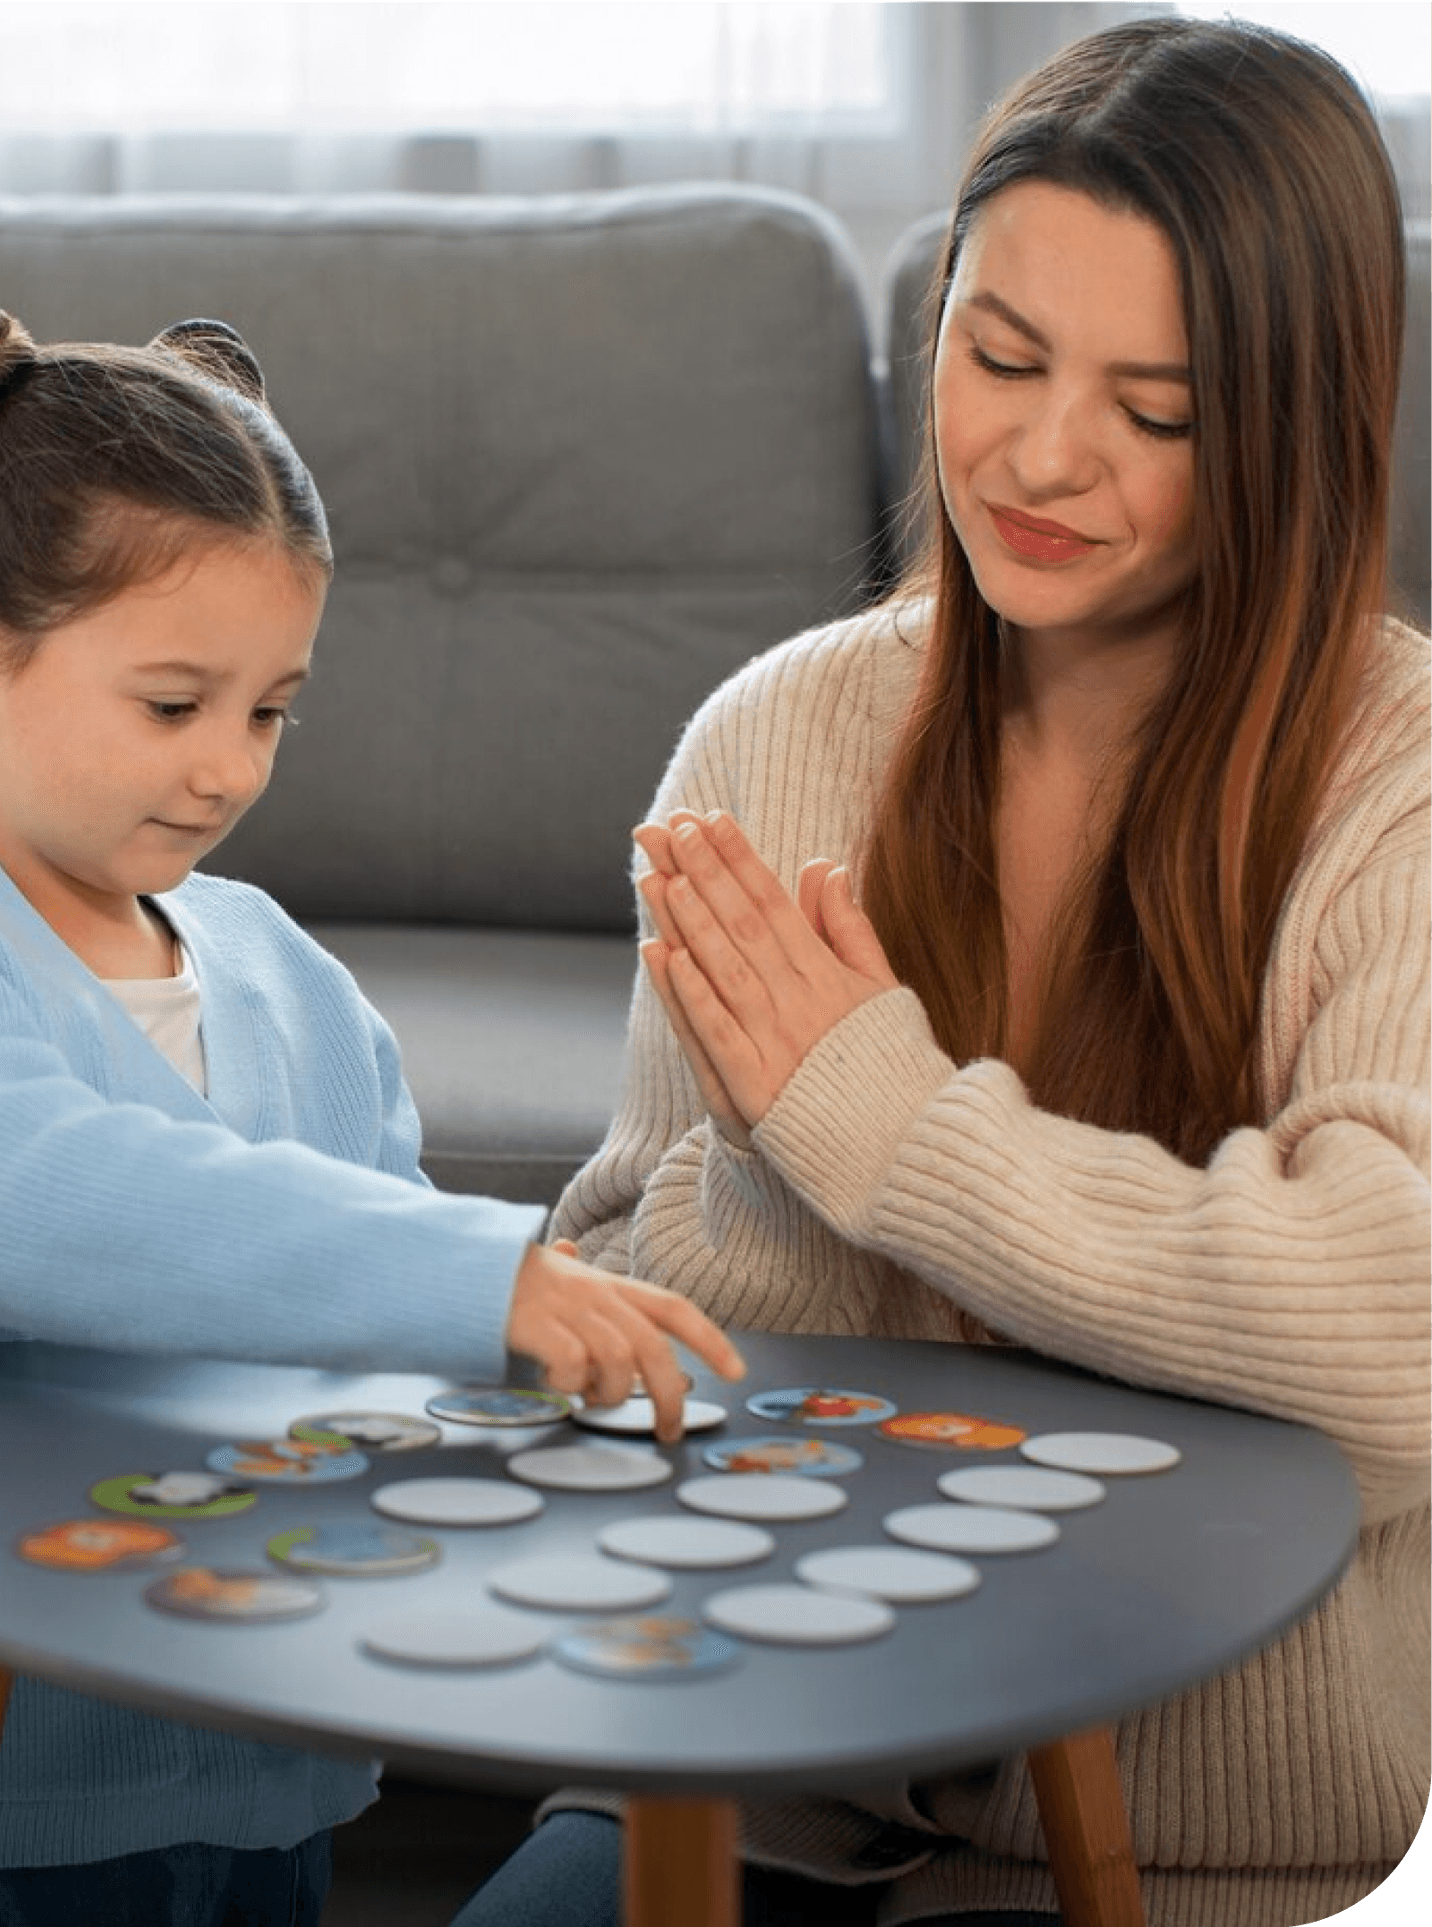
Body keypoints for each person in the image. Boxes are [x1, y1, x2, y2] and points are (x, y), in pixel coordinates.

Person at [454, 16, 1428, 1927]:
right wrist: (765, 1174)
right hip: (770, 1762)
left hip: (1208, 1818)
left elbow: (1399, 1332)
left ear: (1301, 423)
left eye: (1159, 411)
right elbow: (611, 1314)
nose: (1044, 456)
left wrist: (880, 1127)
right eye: (999, 355)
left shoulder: (1400, 784)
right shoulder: (774, 741)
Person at [0, 272, 745, 1927]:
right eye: (174, 704)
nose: (231, 767)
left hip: (256, 1748)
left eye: (271, 709)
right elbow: (63, 1201)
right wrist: (477, 1275)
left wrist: (553, 1389)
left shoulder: (278, 964)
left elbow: (377, 1268)